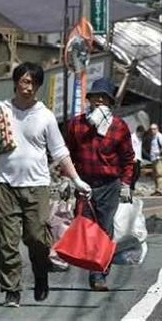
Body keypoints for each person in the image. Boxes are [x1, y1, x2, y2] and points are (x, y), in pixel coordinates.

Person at [0, 62, 92, 309]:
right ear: (15, 82)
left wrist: (76, 179)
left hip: (37, 186)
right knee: (6, 242)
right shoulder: (0, 111)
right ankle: (12, 289)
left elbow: (60, 151)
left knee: (37, 238)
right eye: (24, 81)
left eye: (34, 83)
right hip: (6, 185)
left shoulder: (45, 116)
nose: (28, 87)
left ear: (39, 87)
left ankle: (41, 272)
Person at [66, 77, 135, 292]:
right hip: (83, 183)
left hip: (109, 185)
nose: (99, 101)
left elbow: (128, 158)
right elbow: (66, 154)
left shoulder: (119, 127)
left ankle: (98, 274)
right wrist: (66, 180)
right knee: (85, 227)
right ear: (89, 99)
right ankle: (89, 264)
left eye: (103, 98)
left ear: (109, 102)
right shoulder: (76, 124)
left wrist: (125, 184)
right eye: (95, 97)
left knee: (105, 230)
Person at [148, 123, 162, 197]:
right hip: (153, 158)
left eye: (154, 129)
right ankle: (157, 189)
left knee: (159, 174)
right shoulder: (153, 137)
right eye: (151, 129)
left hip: (158, 158)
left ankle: (160, 190)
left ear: (157, 129)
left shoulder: (159, 136)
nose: (153, 130)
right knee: (155, 174)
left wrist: (160, 152)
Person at [130, 125, 145, 192]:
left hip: (138, 158)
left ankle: (132, 187)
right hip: (134, 158)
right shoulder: (132, 137)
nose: (141, 134)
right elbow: (130, 148)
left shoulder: (139, 138)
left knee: (138, 174)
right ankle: (131, 187)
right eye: (141, 133)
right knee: (134, 174)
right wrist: (132, 157)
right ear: (138, 131)